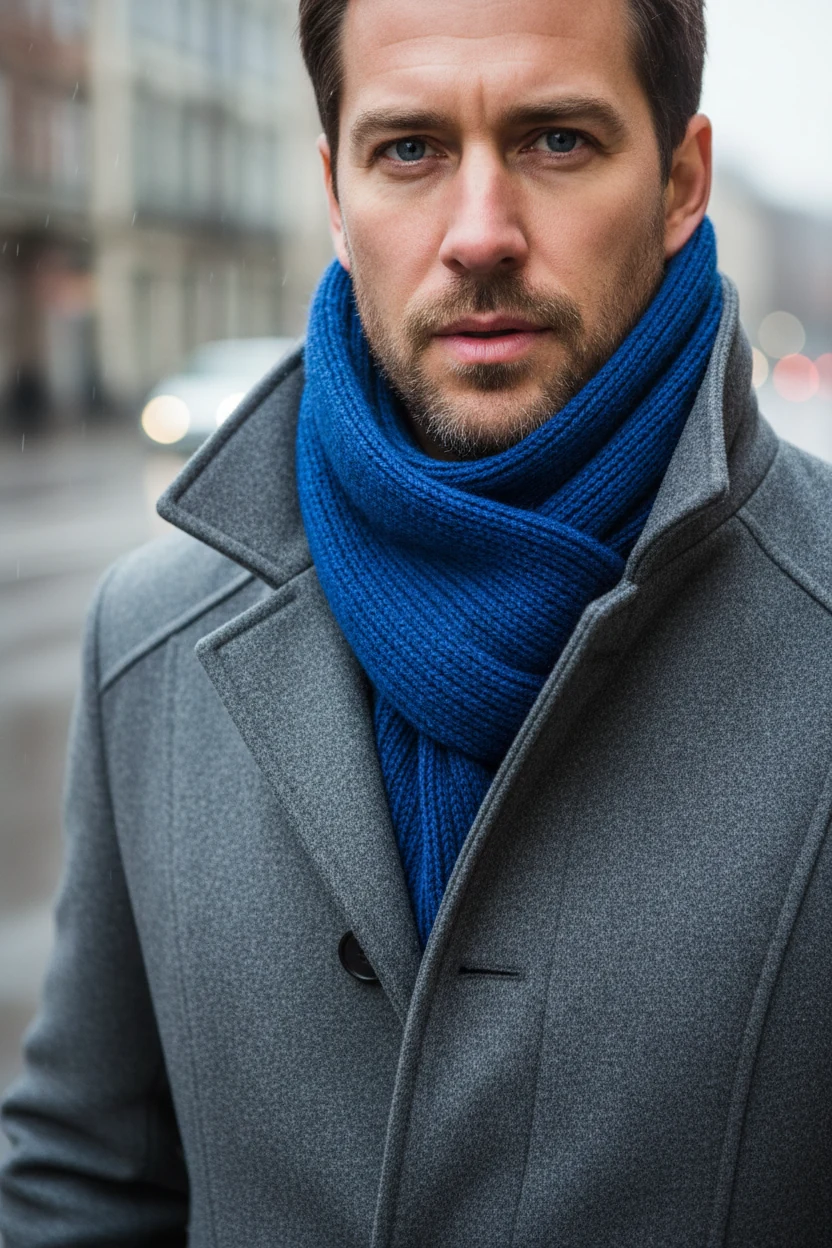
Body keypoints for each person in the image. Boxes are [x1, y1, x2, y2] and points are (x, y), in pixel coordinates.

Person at [2, 0, 832, 1242]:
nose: (479, 233)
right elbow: (85, 1179)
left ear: (679, 182)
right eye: (409, 149)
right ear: (336, 197)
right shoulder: (149, 641)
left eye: (556, 140)